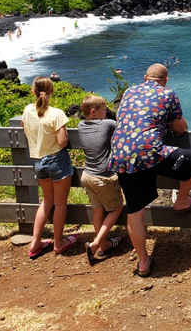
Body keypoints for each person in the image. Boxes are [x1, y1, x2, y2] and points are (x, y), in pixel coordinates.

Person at [108, 63, 191, 277]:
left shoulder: (129, 91)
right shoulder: (168, 94)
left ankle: (143, 262)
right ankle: (182, 200)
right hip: (149, 152)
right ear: (165, 80)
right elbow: (181, 128)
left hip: (120, 155)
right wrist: (169, 123)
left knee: (134, 211)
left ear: (145, 78)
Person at [22, 77, 78, 258]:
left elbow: (26, 130)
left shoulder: (27, 110)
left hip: (38, 161)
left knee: (46, 202)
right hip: (56, 160)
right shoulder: (56, 113)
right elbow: (62, 141)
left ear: (33, 91)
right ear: (52, 91)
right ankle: (59, 242)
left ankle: (35, 243)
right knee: (60, 203)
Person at [78, 95, 124, 265]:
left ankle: (104, 244)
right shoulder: (107, 124)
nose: (107, 112)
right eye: (104, 109)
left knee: (98, 210)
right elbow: (121, 127)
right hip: (103, 177)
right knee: (117, 208)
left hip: (87, 175)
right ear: (93, 112)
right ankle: (97, 243)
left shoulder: (81, 125)